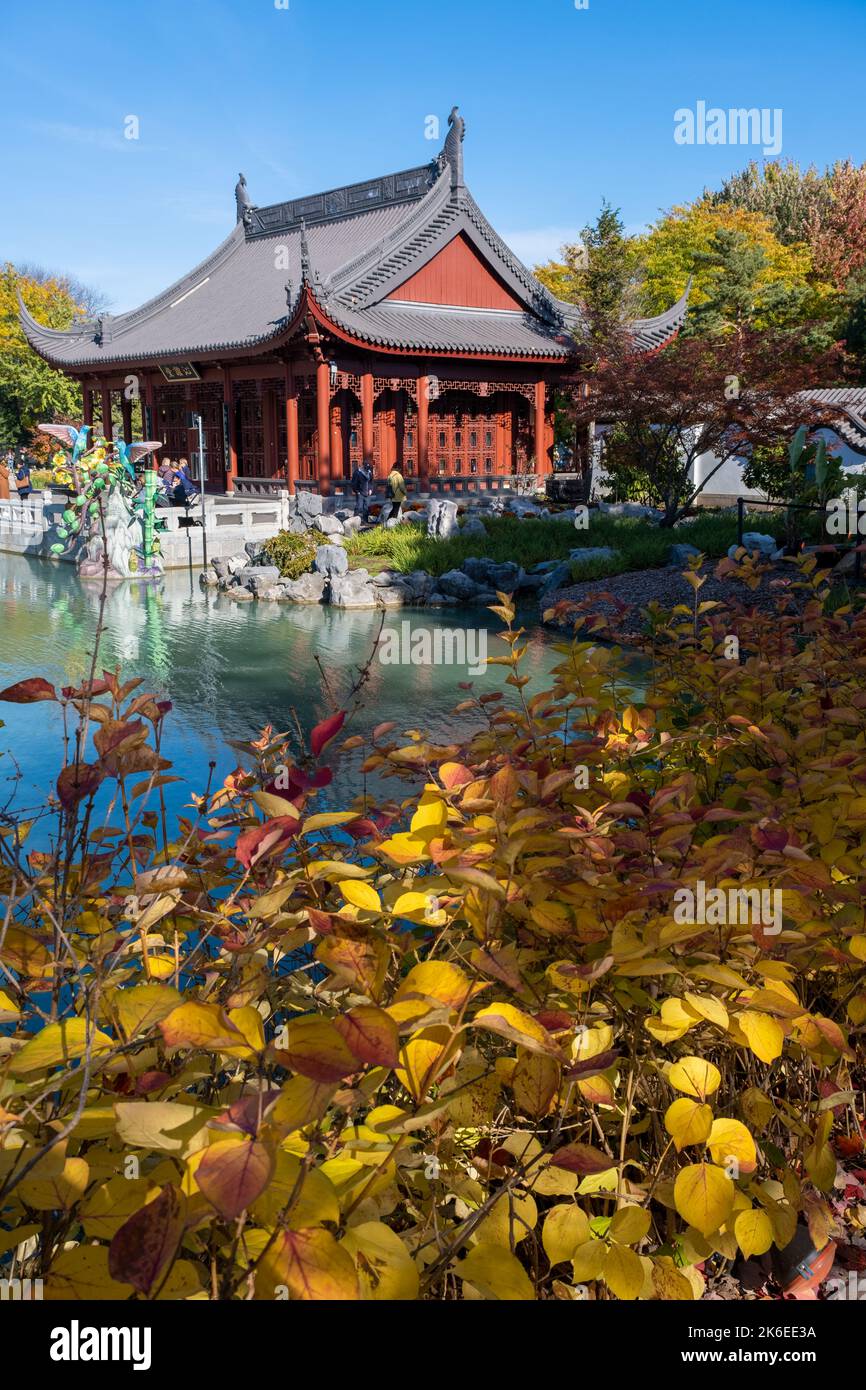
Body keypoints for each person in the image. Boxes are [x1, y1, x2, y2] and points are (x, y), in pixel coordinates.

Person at [350, 458, 374, 522]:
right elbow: (353, 483)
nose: (367, 469)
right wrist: (357, 491)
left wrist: (370, 489)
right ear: (363, 466)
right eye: (366, 467)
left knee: (366, 507)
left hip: (367, 493)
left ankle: (365, 521)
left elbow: (371, 482)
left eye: (368, 468)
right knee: (359, 507)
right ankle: (354, 520)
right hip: (360, 492)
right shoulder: (358, 472)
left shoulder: (369, 472)